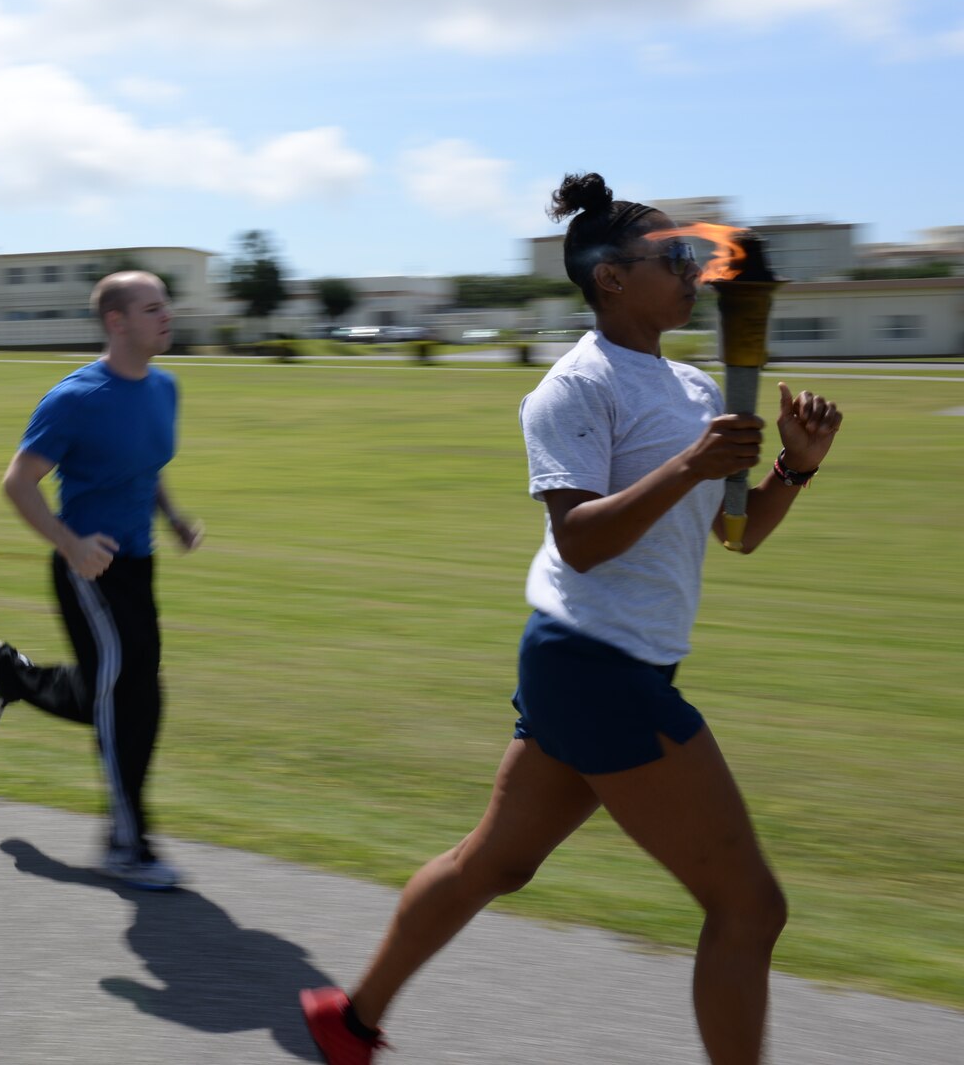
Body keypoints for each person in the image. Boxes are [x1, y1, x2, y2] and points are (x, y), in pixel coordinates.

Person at [301, 174, 845, 1065]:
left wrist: (794, 467)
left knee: (496, 863)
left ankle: (348, 1021)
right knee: (751, 907)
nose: (694, 266)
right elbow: (581, 538)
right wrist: (688, 463)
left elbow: (733, 531)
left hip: (607, 664)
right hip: (599, 666)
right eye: (673, 256)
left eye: (695, 254)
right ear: (611, 278)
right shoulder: (574, 388)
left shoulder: (697, 386)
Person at [0, 270, 202, 892]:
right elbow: (17, 483)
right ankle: (126, 847)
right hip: (88, 569)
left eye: (167, 305)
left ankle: (11, 675)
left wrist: (175, 518)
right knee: (130, 702)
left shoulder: (165, 388)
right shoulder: (75, 398)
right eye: (153, 308)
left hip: (139, 564)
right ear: (117, 321)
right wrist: (70, 545)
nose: (167, 317)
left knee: (127, 695)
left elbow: (145, 466)